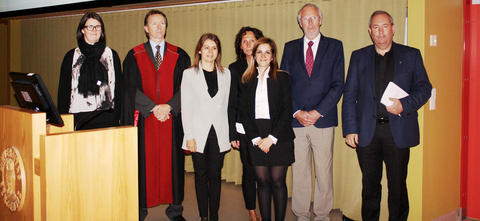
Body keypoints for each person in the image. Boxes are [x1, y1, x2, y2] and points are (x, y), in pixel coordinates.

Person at [342, 10, 432, 221]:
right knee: (370, 187)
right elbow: (349, 96)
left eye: (384, 26)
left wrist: (404, 104)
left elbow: (424, 88)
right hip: (367, 132)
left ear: (393, 28)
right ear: (370, 31)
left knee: (398, 187)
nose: (380, 32)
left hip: (397, 132)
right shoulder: (359, 56)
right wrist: (350, 129)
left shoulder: (411, 55)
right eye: (376, 27)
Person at [121, 10, 191, 221]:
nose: (159, 27)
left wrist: (169, 106)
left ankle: (175, 209)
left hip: (172, 119)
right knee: (143, 162)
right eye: (154, 24)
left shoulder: (180, 54)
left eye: (162, 23)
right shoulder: (134, 55)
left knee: (174, 163)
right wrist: (153, 107)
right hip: (145, 118)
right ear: (146, 28)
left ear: (166, 27)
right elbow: (129, 88)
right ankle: (140, 207)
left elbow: (186, 87)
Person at [280, 3, 344, 221]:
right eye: (305, 19)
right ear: (300, 22)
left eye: (313, 18)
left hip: (323, 121)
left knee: (323, 173)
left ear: (320, 20)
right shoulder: (289, 48)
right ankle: (301, 214)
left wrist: (318, 112)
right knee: (299, 172)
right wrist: (297, 111)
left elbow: (338, 85)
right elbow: (284, 84)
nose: (309, 23)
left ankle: (322, 215)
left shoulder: (335, 47)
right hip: (296, 122)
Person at [240, 37, 294, 221]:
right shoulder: (246, 80)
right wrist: (256, 139)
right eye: (259, 52)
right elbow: (244, 113)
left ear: (273, 57)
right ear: (254, 56)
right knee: (262, 183)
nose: (263, 55)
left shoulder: (283, 77)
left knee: (278, 182)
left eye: (267, 52)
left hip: (279, 136)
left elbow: (287, 110)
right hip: (255, 136)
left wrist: (272, 138)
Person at [181, 33, 231, 221]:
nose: (210, 51)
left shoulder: (226, 74)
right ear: (200, 50)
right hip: (198, 134)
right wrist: (189, 136)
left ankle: (214, 216)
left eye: (214, 48)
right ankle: (203, 216)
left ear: (218, 52)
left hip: (219, 133)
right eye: (207, 47)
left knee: (215, 176)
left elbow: (227, 106)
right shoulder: (189, 74)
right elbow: (186, 107)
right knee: (201, 177)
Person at [58, 11, 121, 130]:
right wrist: (63, 120)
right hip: (78, 119)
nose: (94, 30)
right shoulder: (71, 56)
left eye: (97, 27)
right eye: (90, 27)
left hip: (107, 118)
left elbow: (119, 89)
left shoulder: (112, 55)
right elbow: (63, 91)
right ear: (82, 30)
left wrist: (118, 116)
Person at [228, 26, 264, 221]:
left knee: (265, 171)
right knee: (249, 170)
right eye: (245, 41)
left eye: (252, 40)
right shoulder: (234, 69)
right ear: (240, 46)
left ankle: (265, 207)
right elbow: (232, 102)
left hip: (265, 128)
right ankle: (251, 210)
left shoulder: (267, 63)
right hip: (243, 128)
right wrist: (233, 133)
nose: (249, 44)